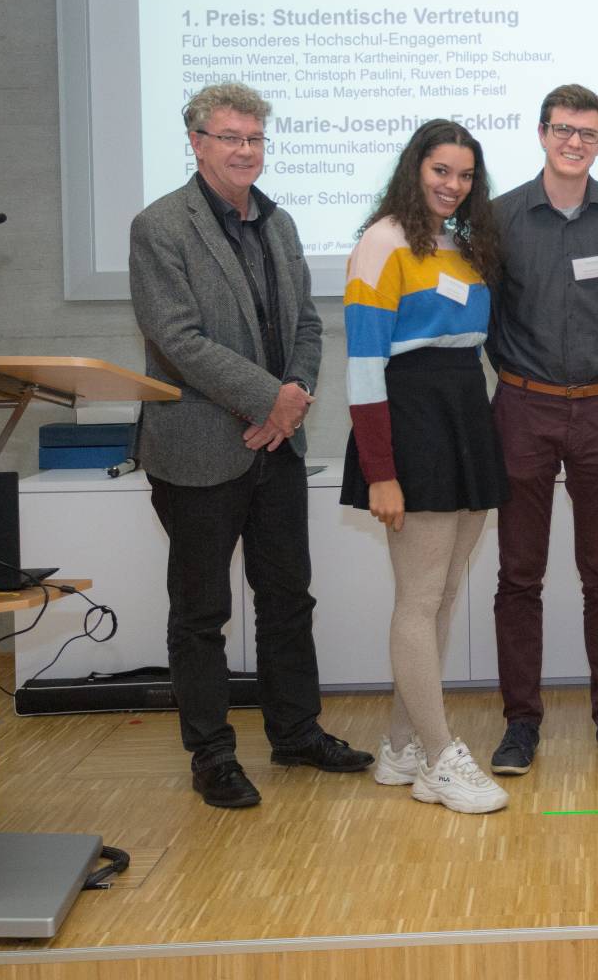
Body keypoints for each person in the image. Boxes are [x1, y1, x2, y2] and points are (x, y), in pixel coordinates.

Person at [129, 81, 373, 809]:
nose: (244, 150)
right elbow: (176, 339)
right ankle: (211, 754)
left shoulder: (281, 223)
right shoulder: (160, 227)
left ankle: (296, 734)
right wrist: (271, 399)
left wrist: (289, 402)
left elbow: (305, 324)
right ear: (197, 143)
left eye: (255, 139)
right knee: (201, 612)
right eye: (230, 137)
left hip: (278, 447)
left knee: (288, 599)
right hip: (200, 449)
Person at [342, 119, 511, 815]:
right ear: (415, 169)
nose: (453, 185)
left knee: (440, 597)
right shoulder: (382, 242)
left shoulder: (465, 244)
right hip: (410, 422)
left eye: (466, 175)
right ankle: (441, 758)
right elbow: (361, 367)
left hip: (465, 412)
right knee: (418, 598)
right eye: (441, 171)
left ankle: (402, 747)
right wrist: (382, 470)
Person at [487, 85, 598, 776]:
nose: (574, 141)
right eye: (562, 128)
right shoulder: (498, 218)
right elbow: (481, 317)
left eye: (587, 132)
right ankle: (521, 722)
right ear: (540, 132)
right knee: (519, 574)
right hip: (522, 409)